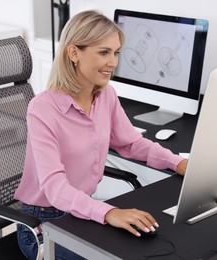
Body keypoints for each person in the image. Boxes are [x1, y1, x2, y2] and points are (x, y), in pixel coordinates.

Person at [14, 10, 188, 260]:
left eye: (115, 53)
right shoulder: (42, 109)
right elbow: (54, 187)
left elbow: (131, 143)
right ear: (74, 53)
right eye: (103, 52)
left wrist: (178, 162)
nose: (113, 62)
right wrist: (109, 213)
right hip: (43, 225)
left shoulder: (106, 95)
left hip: (81, 211)